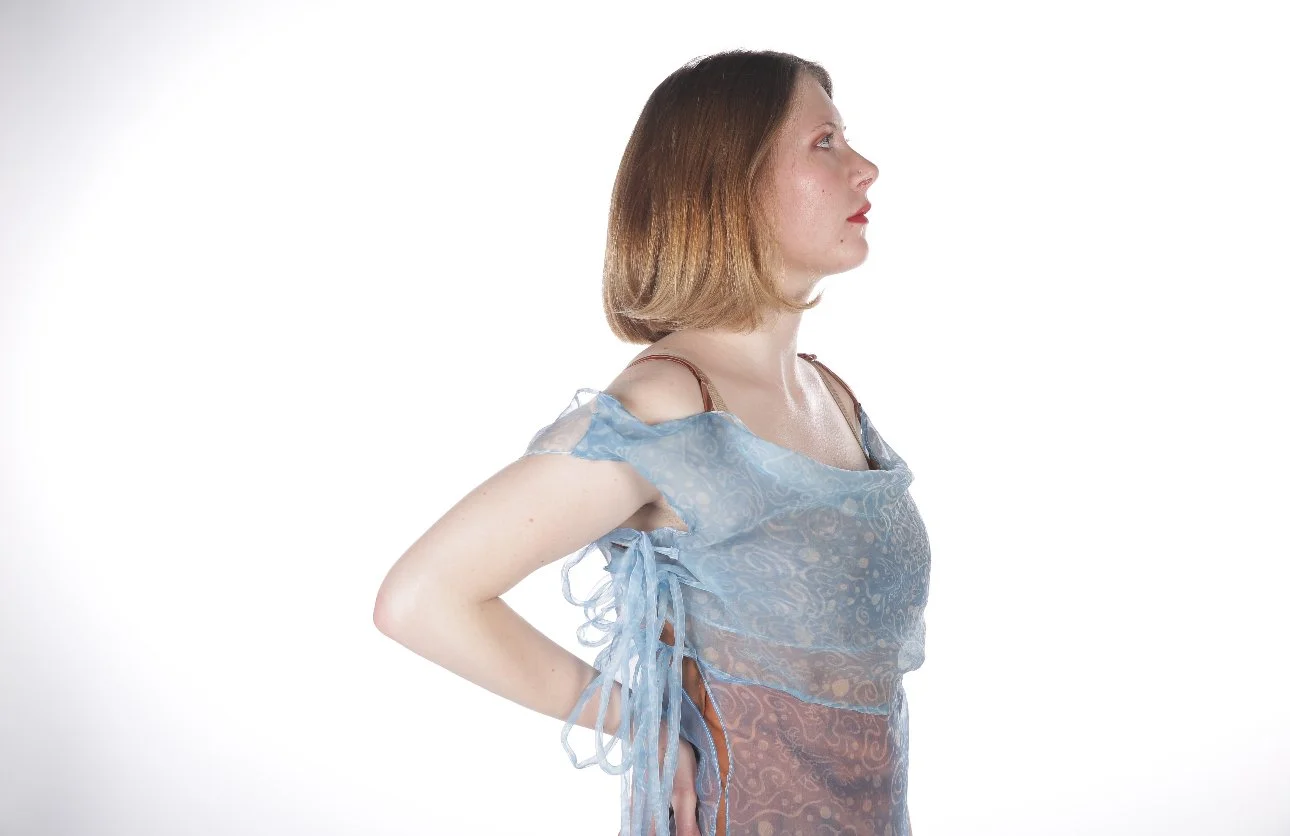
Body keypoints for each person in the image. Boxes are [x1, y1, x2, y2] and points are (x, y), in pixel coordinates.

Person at [373, 49, 931, 836]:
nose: (865, 168)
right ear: (728, 183)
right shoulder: (667, 408)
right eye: (825, 143)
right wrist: (642, 723)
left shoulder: (829, 393)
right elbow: (423, 598)